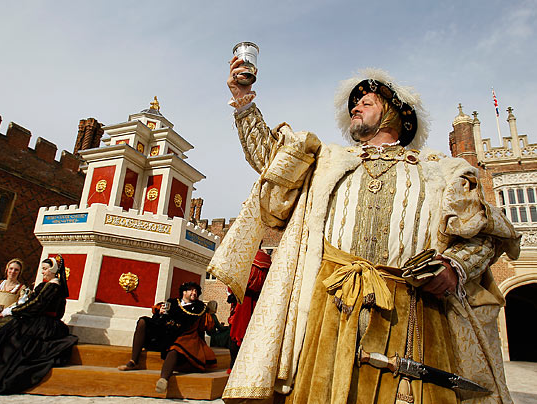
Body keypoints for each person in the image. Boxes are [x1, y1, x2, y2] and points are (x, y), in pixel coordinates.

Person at [206, 60, 520, 404]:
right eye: (353, 103)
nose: (355, 106)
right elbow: (272, 159)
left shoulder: (441, 170)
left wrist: (453, 268)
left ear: (395, 113)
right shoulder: (327, 161)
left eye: (366, 102)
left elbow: (484, 234)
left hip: (414, 309)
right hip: (331, 308)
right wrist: (244, 99)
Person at [0, 256, 78, 394]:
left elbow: (36, 306)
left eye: (45, 269)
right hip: (34, 319)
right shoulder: (45, 285)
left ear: (53, 270)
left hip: (43, 324)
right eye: (42, 269)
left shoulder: (53, 287)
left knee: (12, 346)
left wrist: (11, 311)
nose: (42, 272)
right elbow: (31, 303)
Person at [118, 281, 216, 394]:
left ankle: (163, 380)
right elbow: (160, 319)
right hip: (165, 332)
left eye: (196, 291)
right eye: (191, 290)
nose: (194, 293)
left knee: (176, 348)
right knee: (142, 322)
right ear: (184, 292)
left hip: (183, 336)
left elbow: (205, 327)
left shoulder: (200, 308)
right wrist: (160, 313)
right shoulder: (172, 302)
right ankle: (133, 361)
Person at [227, 247, 271, 370]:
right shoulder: (266, 258)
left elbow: (237, 281)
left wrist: (232, 291)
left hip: (243, 300)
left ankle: (234, 366)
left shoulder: (246, 257)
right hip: (259, 300)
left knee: (237, 333)